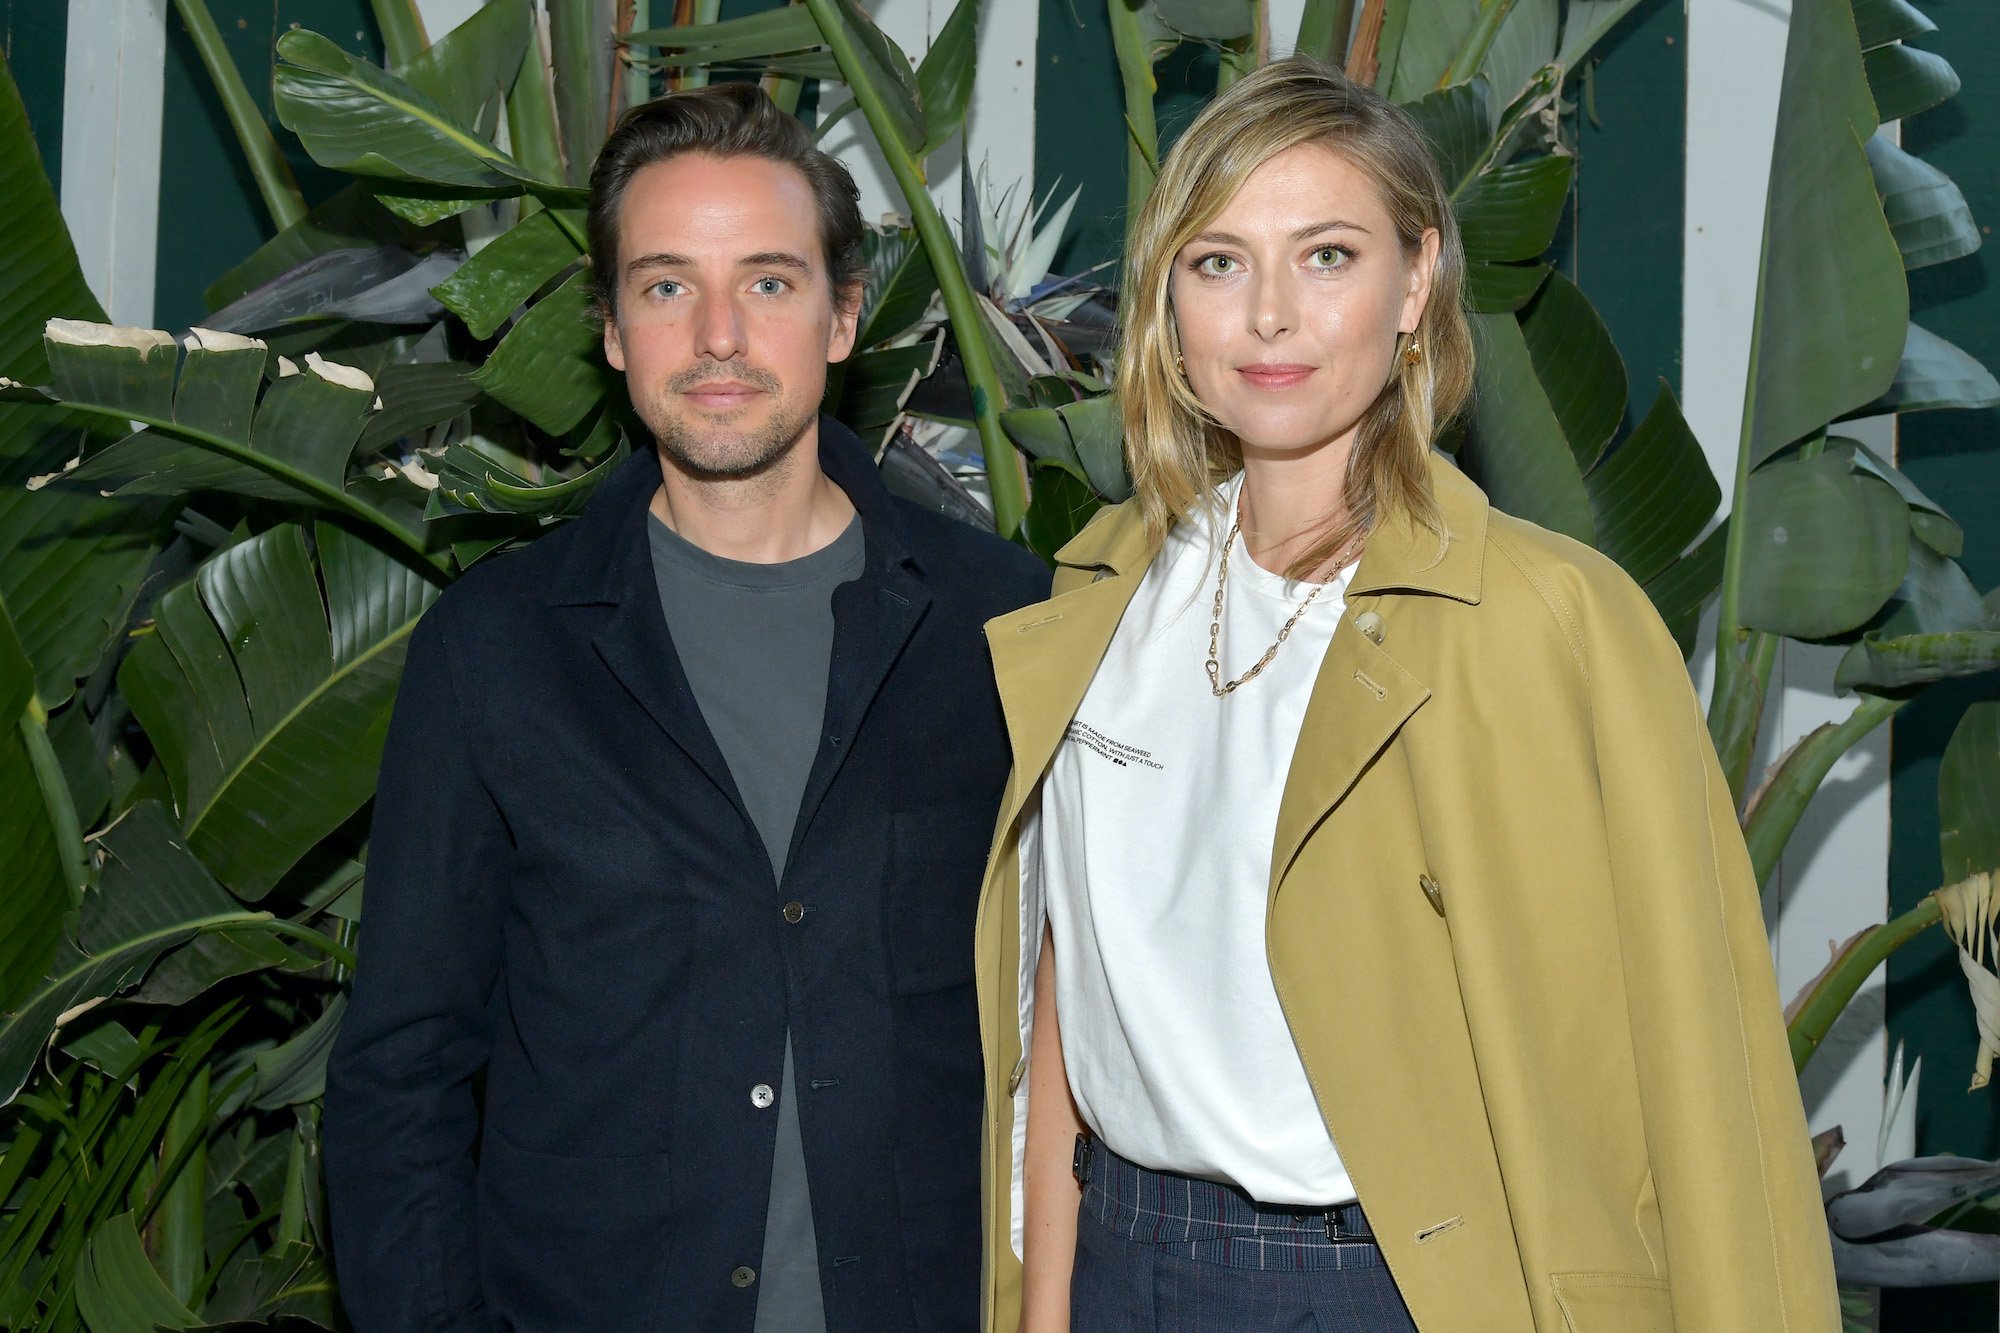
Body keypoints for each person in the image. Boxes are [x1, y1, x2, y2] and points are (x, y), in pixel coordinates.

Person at [972, 57, 1839, 1333]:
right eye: (1217, 262)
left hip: (1389, 1283)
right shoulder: (1101, 590)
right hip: (1120, 1254)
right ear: (1167, 301)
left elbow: (1701, 1079)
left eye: (1325, 256)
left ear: (1415, 280)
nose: (1268, 317)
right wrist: (1047, 1306)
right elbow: (1073, 997)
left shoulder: (1551, 621)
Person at [325, 82, 1049, 1333]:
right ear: (610, 329)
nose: (718, 334)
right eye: (666, 286)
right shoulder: (496, 648)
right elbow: (403, 1074)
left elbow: (1077, 1037)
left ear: (842, 317)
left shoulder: (1003, 627)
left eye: (767, 282)